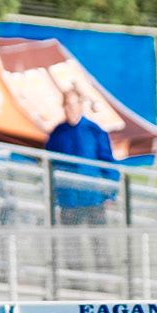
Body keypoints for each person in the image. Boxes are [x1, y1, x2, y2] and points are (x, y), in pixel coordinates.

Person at [45, 88, 117, 223]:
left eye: (74, 104)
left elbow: (108, 164)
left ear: (80, 105)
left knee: (97, 235)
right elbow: (49, 162)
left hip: (93, 198)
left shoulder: (94, 131)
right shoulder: (57, 133)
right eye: (67, 105)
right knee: (70, 235)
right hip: (68, 199)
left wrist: (110, 194)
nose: (71, 109)